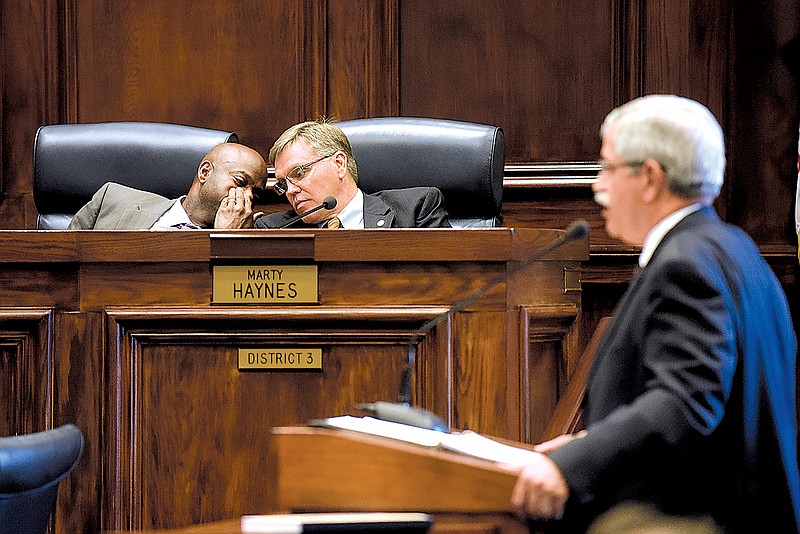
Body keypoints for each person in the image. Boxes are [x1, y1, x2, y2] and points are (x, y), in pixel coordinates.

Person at [508, 95, 800, 533]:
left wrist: (569, 467)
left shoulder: (685, 266)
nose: (596, 185)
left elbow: (684, 403)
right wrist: (594, 446)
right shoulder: (733, 248)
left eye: (607, 167)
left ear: (649, 177)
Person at [254, 120, 451, 229]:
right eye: (283, 183)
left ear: (339, 164)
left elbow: (449, 283)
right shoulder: (276, 229)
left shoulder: (415, 210)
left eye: (299, 172)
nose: (291, 190)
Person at [67, 142, 267, 229]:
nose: (248, 196)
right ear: (205, 172)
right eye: (240, 182)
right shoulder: (112, 199)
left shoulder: (248, 238)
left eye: (256, 195)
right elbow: (59, 267)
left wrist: (227, 239)